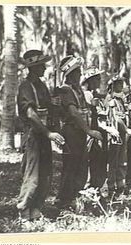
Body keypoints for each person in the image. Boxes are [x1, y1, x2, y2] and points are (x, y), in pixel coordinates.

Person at [17, 49, 65, 221]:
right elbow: (30, 114)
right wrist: (48, 133)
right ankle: (24, 211)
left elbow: (45, 107)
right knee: (33, 174)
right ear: (34, 67)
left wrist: (54, 103)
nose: (45, 68)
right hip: (33, 135)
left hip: (44, 134)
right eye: (41, 65)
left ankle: (36, 209)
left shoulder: (41, 86)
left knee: (45, 173)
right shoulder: (26, 86)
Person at [54, 56, 103, 208]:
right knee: (71, 166)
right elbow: (74, 113)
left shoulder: (77, 90)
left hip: (79, 132)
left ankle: (76, 196)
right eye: (78, 73)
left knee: (80, 166)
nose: (80, 75)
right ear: (71, 74)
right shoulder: (65, 90)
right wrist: (89, 131)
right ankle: (63, 200)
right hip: (71, 132)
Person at [81, 66, 118, 191]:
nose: (98, 81)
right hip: (90, 133)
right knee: (91, 162)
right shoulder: (86, 95)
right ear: (90, 80)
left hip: (97, 132)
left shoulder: (94, 95)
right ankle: (89, 190)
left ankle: (96, 188)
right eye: (96, 78)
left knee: (99, 162)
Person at [105, 75, 131, 197]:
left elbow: (125, 117)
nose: (120, 86)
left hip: (122, 135)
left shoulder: (121, 101)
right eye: (118, 84)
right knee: (113, 162)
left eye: (121, 84)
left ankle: (120, 186)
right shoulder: (110, 100)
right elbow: (116, 118)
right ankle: (110, 188)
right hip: (114, 134)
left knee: (122, 161)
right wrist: (127, 130)